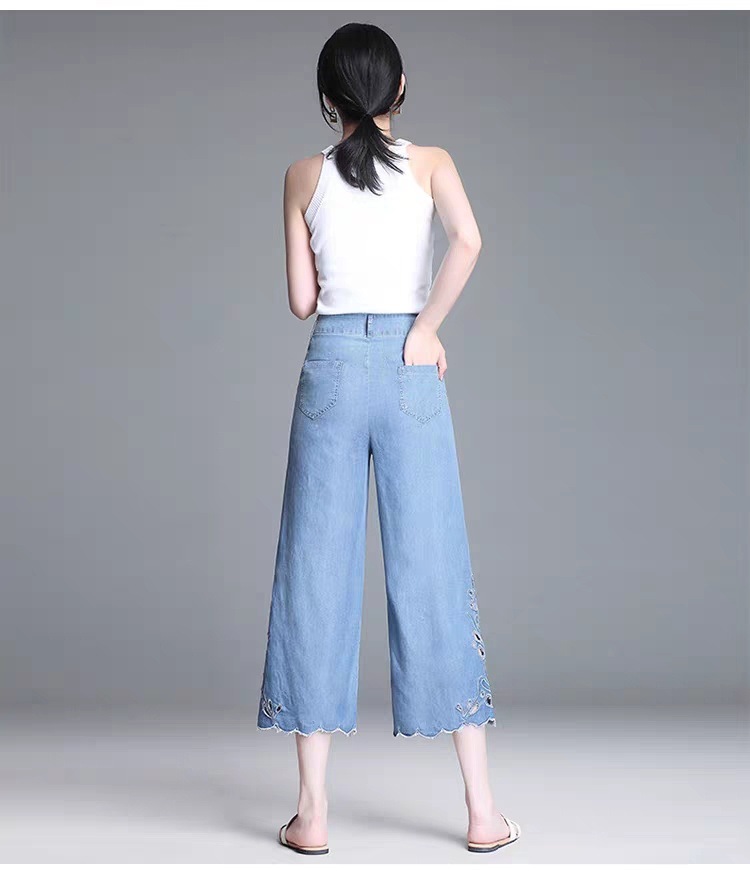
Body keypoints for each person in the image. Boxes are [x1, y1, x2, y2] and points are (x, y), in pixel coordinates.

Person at [258, 22, 520, 856]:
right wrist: (427, 328)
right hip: (411, 368)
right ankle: (482, 812)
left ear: (327, 98)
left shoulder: (302, 175)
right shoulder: (433, 162)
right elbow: (470, 241)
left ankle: (313, 815)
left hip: (332, 369)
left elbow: (303, 302)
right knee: (434, 568)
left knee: (314, 578)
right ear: (399, 88)